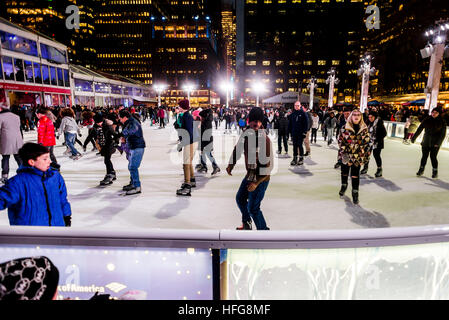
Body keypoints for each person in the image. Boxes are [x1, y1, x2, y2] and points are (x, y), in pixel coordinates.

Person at [0, 143, 72, 226]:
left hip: (57, 229)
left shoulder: (55, 176)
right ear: (32, 162)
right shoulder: (18, 183)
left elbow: (62, 199)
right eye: (45, 159)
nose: (49, 161)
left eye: (48, 157)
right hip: (30, 234)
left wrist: (66, 216)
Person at [226, 107, 273, 230]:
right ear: (249, 121)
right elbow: (238, 149)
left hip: (262, 178)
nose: (256, 123)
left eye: (259, 121)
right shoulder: (246, 135)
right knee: (240, 199)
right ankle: (247, 223)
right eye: (254, 121)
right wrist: (231, 164)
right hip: (251, 174)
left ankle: (264, 233)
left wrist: (256, 183)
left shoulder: (264, 140)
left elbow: (267, 168)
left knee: (253, 208)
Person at [337, 109, 371, 205]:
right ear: (351, 116)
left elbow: (368, 143)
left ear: (361, 117)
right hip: (346, 156)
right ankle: (344, 185)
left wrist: (365, 157)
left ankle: (355, 192)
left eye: (358, 115)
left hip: (357, 157)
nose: (356, 116)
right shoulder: (345, 128)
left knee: (355, 175)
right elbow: (340, 141)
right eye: (354, 114)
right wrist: (344, 153)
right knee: (344, 172)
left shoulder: (364, 129)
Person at [411, 107, 447, 179]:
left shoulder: (442, 121)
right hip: (426, 141)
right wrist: (414, 137)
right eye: (433, 112)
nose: (434, 114)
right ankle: (421, 169)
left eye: (436, 113)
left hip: (435, 143)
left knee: (433, 157)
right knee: (424, 156)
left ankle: (435, 171)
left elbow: (443, 134)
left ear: (439, 114)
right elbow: (419, 129)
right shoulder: (427, 119)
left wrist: (438, 143)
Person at [119, 110, 146, 195]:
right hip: (133, 146)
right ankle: (133, 183)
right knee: (131, 166)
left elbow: (131, 130)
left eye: (120, 118)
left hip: (137, 147)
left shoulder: (133, 122)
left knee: (133, 167)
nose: (119, 120)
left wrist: (121, 134)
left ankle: (137, 187)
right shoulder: (129, 122)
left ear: (125, 117)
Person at [176, 99, 198, 196]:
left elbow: (188, 132)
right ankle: (192, 180)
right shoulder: (185, 116)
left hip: (190, 142)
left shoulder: (187, 117)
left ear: (183, 107)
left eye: (179, 106)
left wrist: (183, 143)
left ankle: (187, 186)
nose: (178, 107)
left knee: (186, 163)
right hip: (191, 141)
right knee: (189, 162)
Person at [93, 114, 119, 186]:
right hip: (103, 146)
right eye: (97, 123)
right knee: (107, 160)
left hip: (109, 145)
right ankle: (112, 173)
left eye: (99, 122)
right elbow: (92, 135)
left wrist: (116, 142)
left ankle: (109, 175)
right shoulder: (96, 126)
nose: (98, 124)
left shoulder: (107, 126)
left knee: (107, 160)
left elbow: (115, 134)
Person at [0, 104, 23, 183]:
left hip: (6, 140)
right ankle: (24, 172)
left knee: (5, 158)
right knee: (18, 157)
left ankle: (5, 176)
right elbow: (19, 128)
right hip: (17, 139)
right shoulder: (16, 116)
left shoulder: (0, 117)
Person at [362, 111, 387, 177]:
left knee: (376, 155)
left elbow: (384, 133)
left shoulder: (379, 123)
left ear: (375, 117)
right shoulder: (368, 123)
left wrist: (377, 139)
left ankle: (379, 169)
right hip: (369, 142)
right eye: (369, 117)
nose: (370, 118)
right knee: (366, 155)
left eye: (371, 117)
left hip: (377, 143)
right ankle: (365, 168)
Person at [198, 107, 221, 175]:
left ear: (204, 117)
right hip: (205, 140)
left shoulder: (206, 123)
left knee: (208, 154)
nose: (200, 118)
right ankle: (204, 166)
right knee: (202, 154)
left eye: (201, 117)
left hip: (207, 141)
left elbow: (203, 133)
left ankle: (215, 166)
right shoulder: (206, 122)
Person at [288, 101, 308, 166]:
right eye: (295, 105)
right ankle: (294, 159)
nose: (296, 107)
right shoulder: (293, 114)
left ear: (300, 106)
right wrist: (289, 132)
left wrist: (304, 132)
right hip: (294, 133)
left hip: (301, 133)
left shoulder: (303, 113)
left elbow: (306, 123)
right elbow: (290, 123)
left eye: (297, 105)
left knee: (300, 145)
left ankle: (301, 159)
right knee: (294, 146)